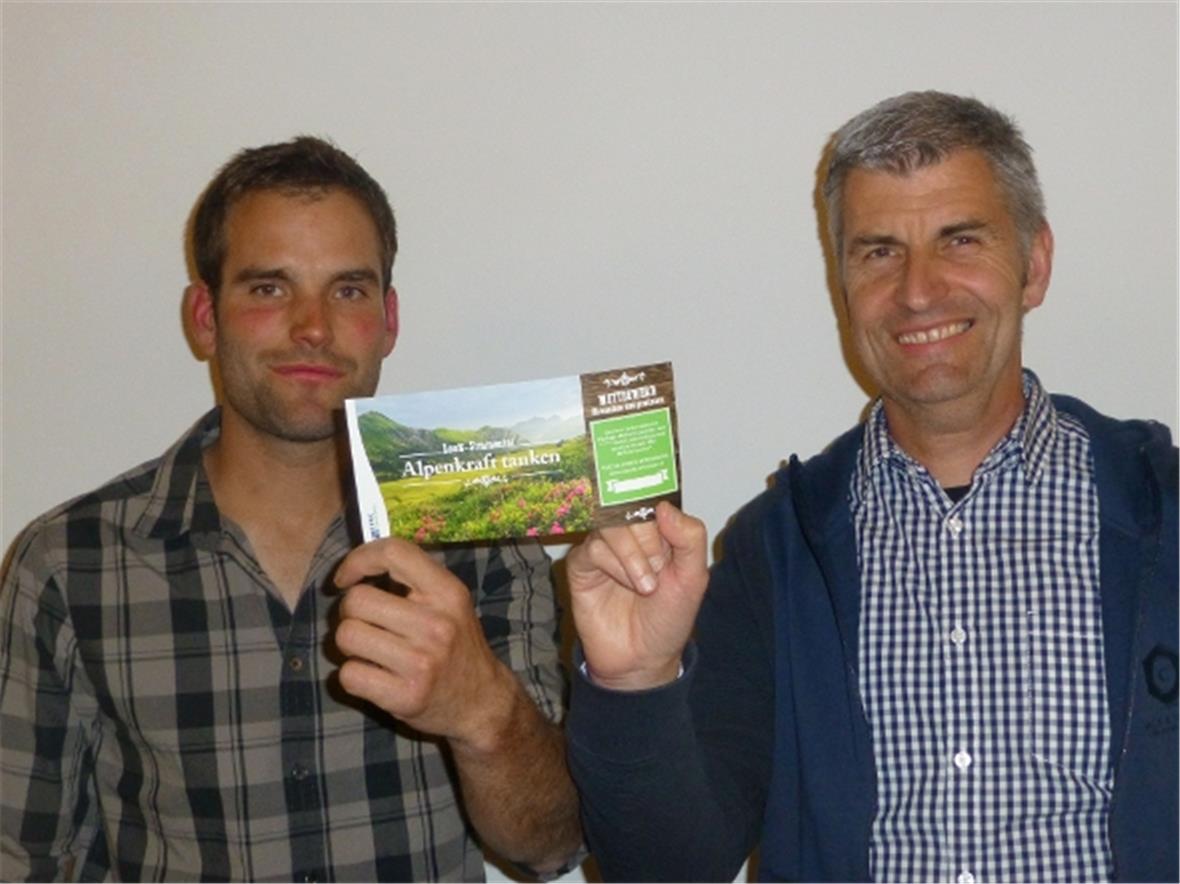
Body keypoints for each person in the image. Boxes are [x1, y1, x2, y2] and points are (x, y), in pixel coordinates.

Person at [564, 91, 1178, 883]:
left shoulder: (1160, 509)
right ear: (842, 284)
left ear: (1035, 264)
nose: (919, 291)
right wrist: (633, 683)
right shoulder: (774, 551)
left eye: (960, 240)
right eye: (879, 251)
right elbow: (665, 868)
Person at [0, 136, 581, 881]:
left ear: (389, 319)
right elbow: (26, 859)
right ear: (205, 316)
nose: (313, 327)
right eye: (270, 288)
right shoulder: (68, 563)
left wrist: (480, 712)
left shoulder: (483, 537)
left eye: (347, 290)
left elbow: (550, 846)